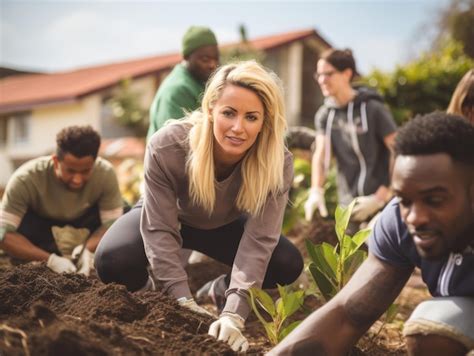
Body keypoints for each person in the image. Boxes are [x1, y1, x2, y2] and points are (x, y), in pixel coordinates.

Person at [95, 60, 304, 352]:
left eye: (251, 117)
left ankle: (219, 291)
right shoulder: (167, 147)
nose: (238, 128)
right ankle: (151, 296)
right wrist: (181, 301)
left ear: (265, 121)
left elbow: (259, 240)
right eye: (228, 113)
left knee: (286, 263)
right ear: (210, 109)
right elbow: (158, 228)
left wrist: (234, 313)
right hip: (170, 217)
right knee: (112, 259)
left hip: (224, 225)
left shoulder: (276, 162)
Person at [269, 112, 474, 355]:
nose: (415, 217)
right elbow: (346, 315)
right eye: (405, 199)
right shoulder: (398, 220)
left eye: (435, 200)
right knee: (434, 330)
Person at [0, 125, 124, 276]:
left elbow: (112, 226)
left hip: (85, 225)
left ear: (95, 162)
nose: (77, 180)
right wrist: (50, 260)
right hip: (41, 234)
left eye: (85, 171)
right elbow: (3, 234)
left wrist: (87, 250)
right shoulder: (25, 179)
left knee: (128, 214)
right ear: (56, 161)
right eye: (70, 171)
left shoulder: (105, 174)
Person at [304, 48, 397, 225]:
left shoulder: (373, 109)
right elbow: (321, 155)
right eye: (319, 75)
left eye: (328, 74)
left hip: (381, 205)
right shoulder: (325, 115)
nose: (322, 80)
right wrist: (316, 190)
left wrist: (381, 197)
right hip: (348, 207)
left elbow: (398, 151)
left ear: (346, 74)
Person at [147, 25, 219, 140]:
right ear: (186, 57)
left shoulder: (200, 83)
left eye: (216, 59)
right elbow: (173, 143)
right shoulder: (177, 90)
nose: (212, 65)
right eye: (205, 59)